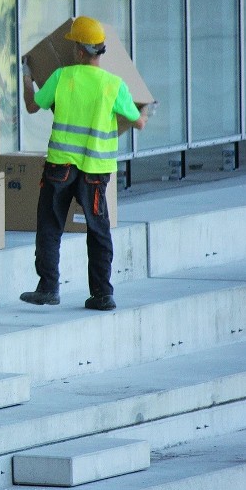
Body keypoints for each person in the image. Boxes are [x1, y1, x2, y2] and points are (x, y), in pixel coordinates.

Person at [19, 16, 148, 311]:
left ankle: (48, 288)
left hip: (60, 167)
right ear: (100, 50)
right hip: (95, 172)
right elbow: (138, 121)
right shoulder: (114, 85)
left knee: (50, 227)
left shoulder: (63, 77)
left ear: (79, 51)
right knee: (98, 230)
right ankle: (102, 294)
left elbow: (31, 105)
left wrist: (27, 76)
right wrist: (145, 112)